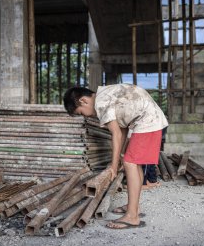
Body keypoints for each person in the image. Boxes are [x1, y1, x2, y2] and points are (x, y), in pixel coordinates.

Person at [64, 84, 168, 229]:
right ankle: (134, 208)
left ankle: (132, 216)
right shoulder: (106, 94)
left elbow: (116, 134)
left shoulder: (101, 102)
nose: (85, 116)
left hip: (148, 121)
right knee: (132, 162)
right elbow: (123, 129)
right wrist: (120, 155)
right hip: (149, 119)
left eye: (81, 113)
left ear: (83, 101)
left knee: (130, 163)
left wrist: (113, 166)